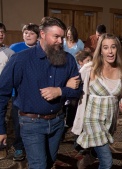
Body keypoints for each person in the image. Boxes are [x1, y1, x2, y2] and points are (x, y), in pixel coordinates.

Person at [0, 17, 82, 169]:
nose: (60, 41)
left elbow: (77, 92)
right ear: (43, 34)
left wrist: (59, 90)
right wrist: (0, 128)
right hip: (31, 123)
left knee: (50, 162)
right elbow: (2, 93)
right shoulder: (20, 60)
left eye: (62, 37)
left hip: (57, 122)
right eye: (56, 37)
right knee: (39, 165)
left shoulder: (68, 60)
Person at [72, 33, 122, 169]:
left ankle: (89, 157)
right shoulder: (91, 68)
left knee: (99, 149)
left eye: (113, 47)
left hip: (110, 120)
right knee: (107, 162)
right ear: (100, 51)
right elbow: (73, 81)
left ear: (117, 49)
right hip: (92, 119)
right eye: (105, 47)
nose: (110, 51)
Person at [9, 23, 39, 161]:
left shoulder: (41, 49)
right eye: (26, 32)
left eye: (31, 33)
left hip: (36, 94)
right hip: (18, 94)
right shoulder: (14, 48)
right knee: (18, 122)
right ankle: (19, 146)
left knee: (35, 123)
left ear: (38, 36)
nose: (28, 35)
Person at [0, 22, 14, 160]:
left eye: (2, 32)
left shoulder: (9, 52)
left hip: (3, 92)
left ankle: (2, 148)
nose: (0, 34)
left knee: (2, 119)